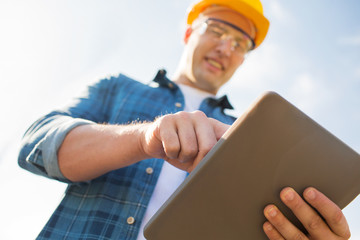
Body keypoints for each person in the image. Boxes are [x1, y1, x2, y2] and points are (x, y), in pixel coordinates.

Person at [18, 0, 351, 239]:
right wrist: (143, 138)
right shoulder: (117, 88)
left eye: (239, 44)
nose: (225, 47)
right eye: (218, 30)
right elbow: (38, 145)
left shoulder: (248, 135)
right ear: (189, 32)